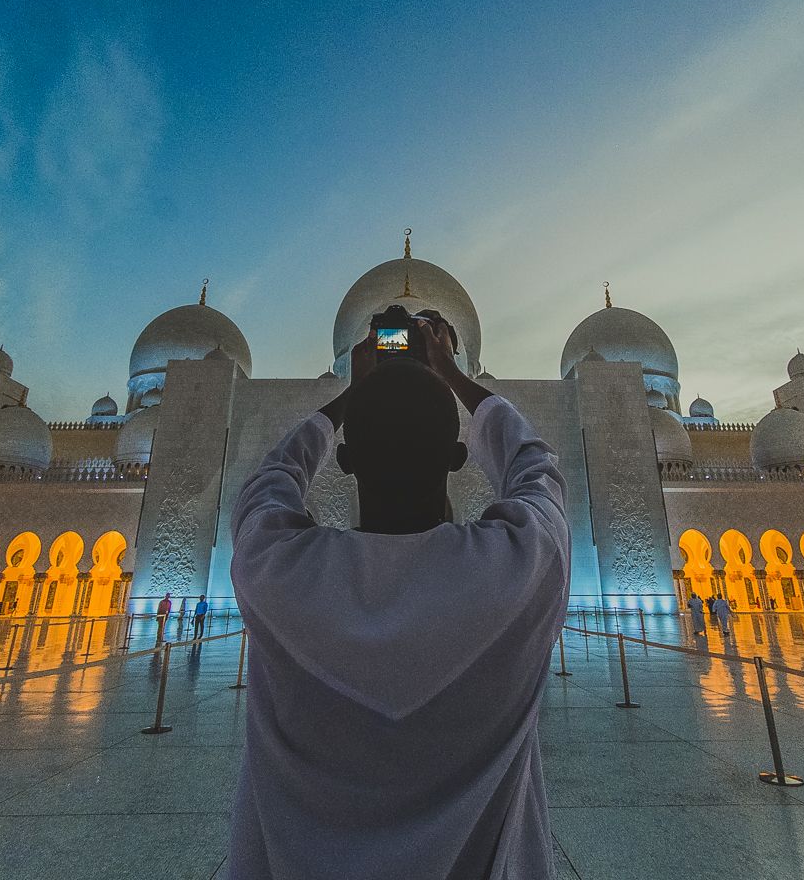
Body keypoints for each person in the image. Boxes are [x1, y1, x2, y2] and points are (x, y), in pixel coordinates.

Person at [226, 318, 570, 880]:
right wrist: (454, 374)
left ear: (346, 460)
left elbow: (270, 479)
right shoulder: (513, 573)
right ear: (458, 457)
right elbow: (536, 467)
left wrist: (349, 397)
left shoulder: (278, 575)